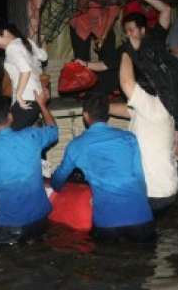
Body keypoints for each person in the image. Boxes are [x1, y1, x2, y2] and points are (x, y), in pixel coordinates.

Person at [109, 0, 178, 214]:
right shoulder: (127, 52)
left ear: (143, 30)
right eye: (126, 32)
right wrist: (85, 65)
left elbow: (166, 10)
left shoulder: (153, 39)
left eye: (133, 30)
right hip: (145, 102)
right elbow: (107, 66)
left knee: (172, 140)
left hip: (163, 100)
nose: (129, 35)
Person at [51, 95, 155, 242]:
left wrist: (54, 183)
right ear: (107, 114)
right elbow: (139, 177)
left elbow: (58, 180)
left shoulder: (77, 145)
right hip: (141, 218)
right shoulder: (129, 138)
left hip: (107, 223)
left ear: (85, 116)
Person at [0, 89, 58, 247]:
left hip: (11, 229)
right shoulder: (31, 136)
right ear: (11, 116)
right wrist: (42, 104)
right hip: (41, 222)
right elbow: (53, 131)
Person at [0, 19, 48, 130]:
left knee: (9, 136)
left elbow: (25, 70)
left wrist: (19, 95)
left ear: (5, 33)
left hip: (25, 100)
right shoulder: (26, 42)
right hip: (36, 99)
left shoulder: (12, 48)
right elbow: (43, 56)